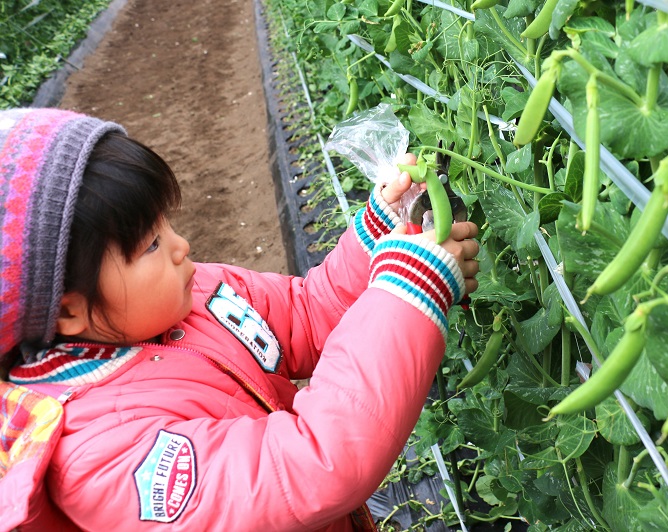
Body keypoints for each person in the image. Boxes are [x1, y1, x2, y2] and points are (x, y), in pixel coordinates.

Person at [0, 108, 479, 531]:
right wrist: (408, 292)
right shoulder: (101, 456)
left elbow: (309, 313)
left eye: (165, 221)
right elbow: (309, 468)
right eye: (150, 244)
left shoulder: (194, 291)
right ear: (67, 309)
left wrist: (383, 231)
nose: (180, 245)